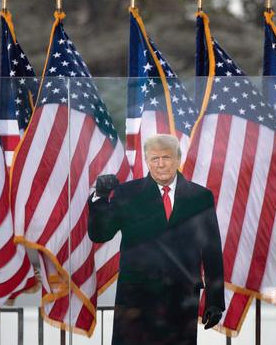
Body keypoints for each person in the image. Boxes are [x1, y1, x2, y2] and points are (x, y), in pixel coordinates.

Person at [88, 134, 225, 345]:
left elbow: (211, 251)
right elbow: (100, 234)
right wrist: (100, 199)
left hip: (181, 300)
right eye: (154, 159)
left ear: (178, 159)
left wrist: (215, 300)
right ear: (146, 160)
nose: (161, 164)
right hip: (136, 302)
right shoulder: (127, 193)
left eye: (166, 157)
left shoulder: (200, 197)